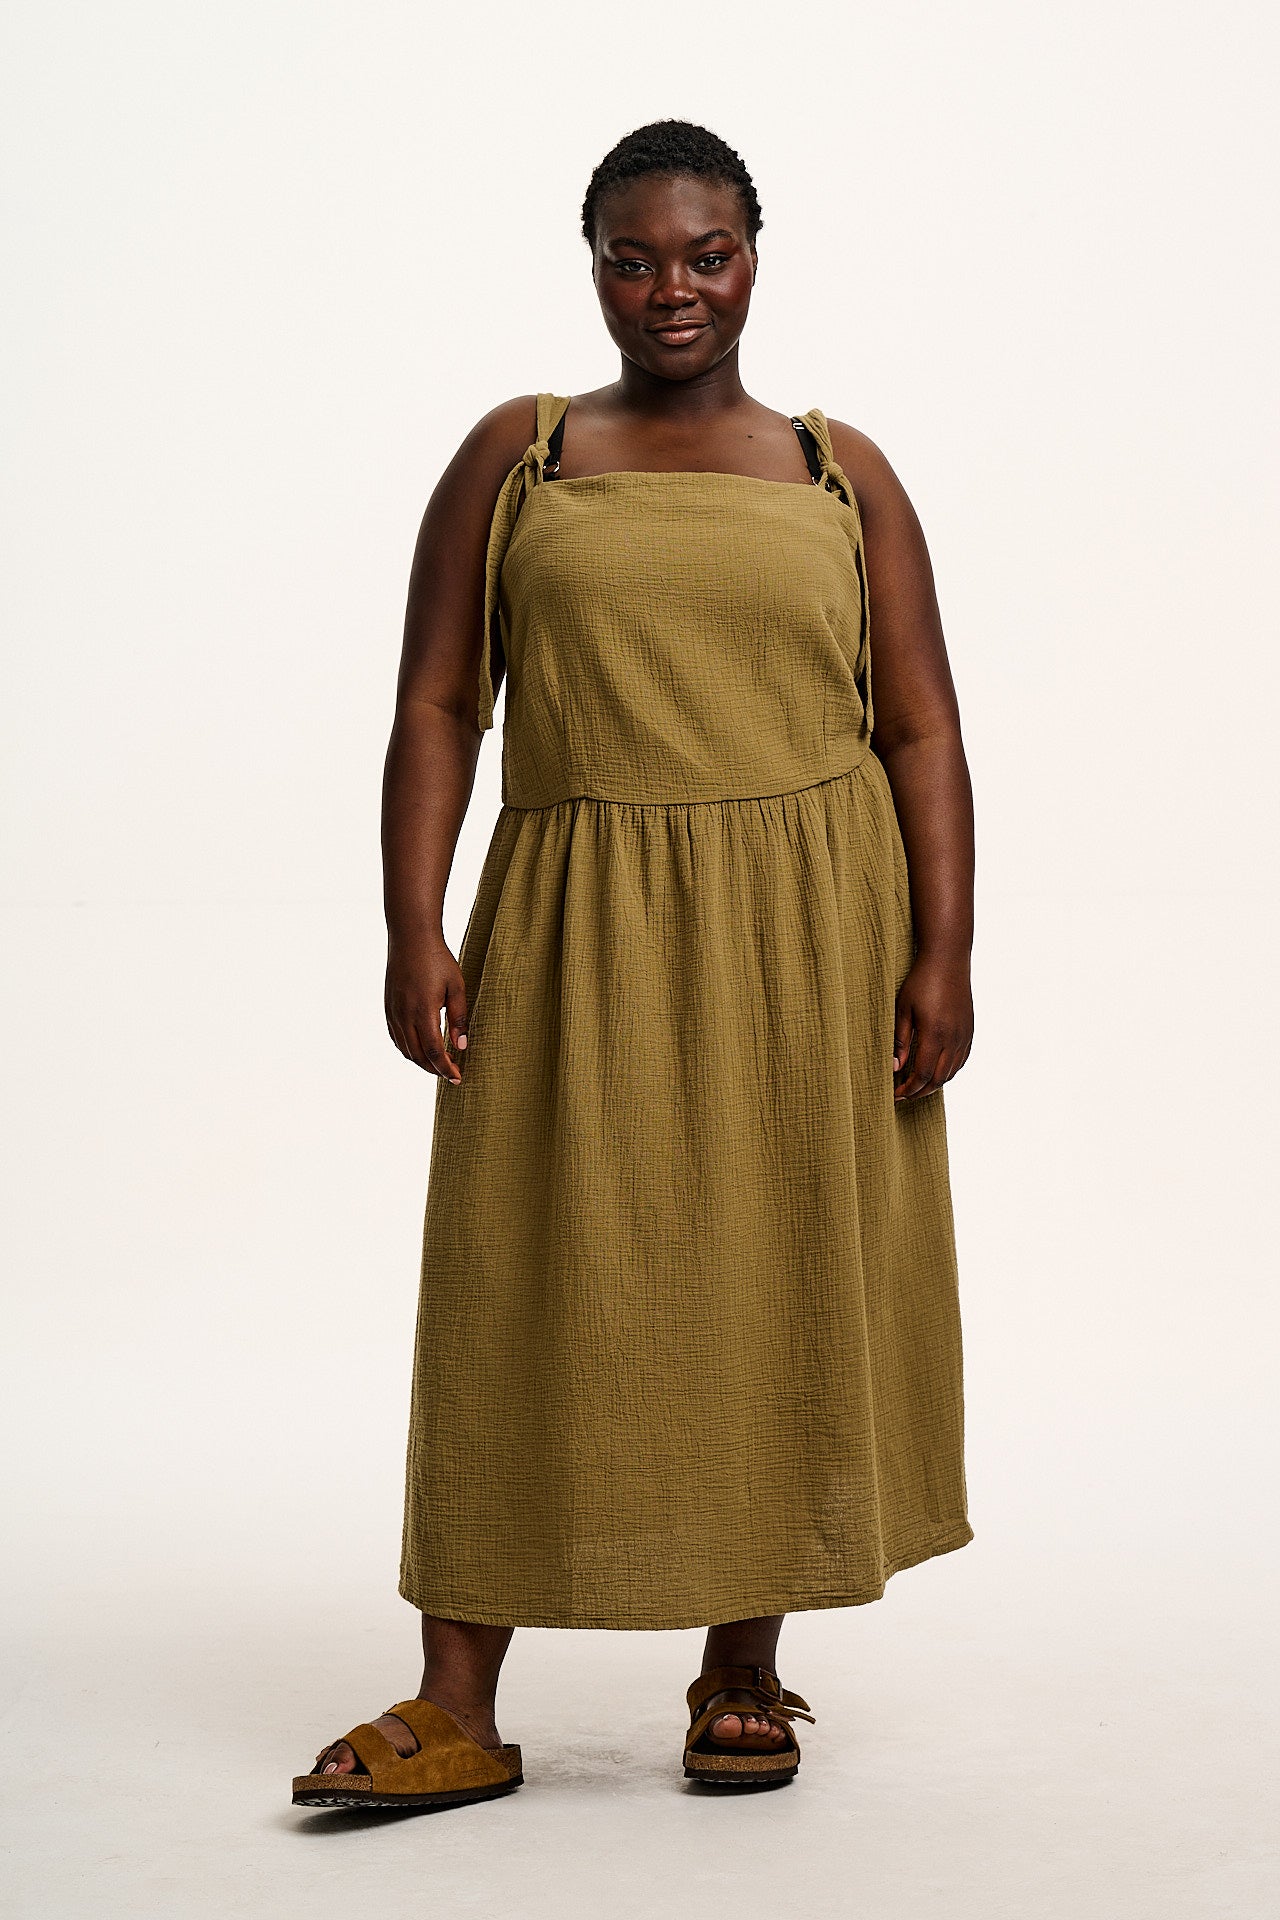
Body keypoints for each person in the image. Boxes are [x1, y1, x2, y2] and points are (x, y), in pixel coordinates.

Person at [292, 119, 975, 1812]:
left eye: (706, 254)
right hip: (575, 914)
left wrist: (945, 950)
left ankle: (742, 1666)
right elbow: (438, 701)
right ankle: (458, 1701)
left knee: (775, 1267)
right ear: (592, 266)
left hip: (807, 928)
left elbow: (921, 726)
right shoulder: (521, 455)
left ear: (755, 259)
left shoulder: (839, 471)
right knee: (522, 1271)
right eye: (634, 257)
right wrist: (412, 921)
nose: (673, 288)